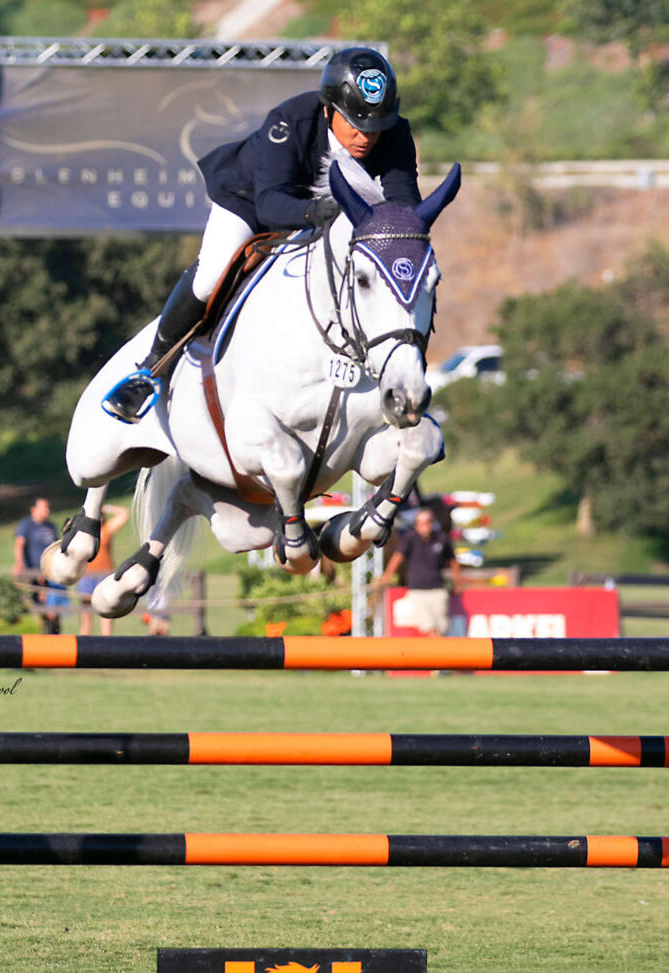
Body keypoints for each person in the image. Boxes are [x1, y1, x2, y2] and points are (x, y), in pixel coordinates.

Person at [103, 46, 420, 423]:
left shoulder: (394, 131)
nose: (367, 135)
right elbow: (271, 202)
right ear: (328, 109)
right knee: (211, 275)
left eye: (376, 125)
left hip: (325, 213)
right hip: (251, 202)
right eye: (355, 122)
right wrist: (313, 212)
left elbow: (404, 204)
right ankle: (151, 370)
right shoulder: (289, 120)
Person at [376, 507, 462, 636]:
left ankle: (436, 655)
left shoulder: (442, 539)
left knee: (441, 629)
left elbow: (453, 561)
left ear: (432, 523)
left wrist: (457, 583)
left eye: (428, 522)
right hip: (417, 592)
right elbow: (398, 557)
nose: (425, 526)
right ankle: (439, 655)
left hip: (438, 590)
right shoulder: (410, 538)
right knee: (430, 627)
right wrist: (387, 575)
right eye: (421, 523)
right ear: (416, 524)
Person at [13, 497, 68, 634]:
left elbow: (56, 549)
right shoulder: (26, 525)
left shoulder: (51, 526)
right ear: (33, 510)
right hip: (32, 574)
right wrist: (19, 564)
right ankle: (38, 640)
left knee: (54, 611)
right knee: (36, 609)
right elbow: (19, 544)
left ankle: (55, 640)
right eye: (43, 508)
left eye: (47, 508)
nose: (46, 511)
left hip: (50, 575)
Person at [77, 503, 130, 636]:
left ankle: (106, 644)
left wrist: (106, 507)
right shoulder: (83, 531)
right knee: (86, 615)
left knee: (106, 613)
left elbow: (124, 514)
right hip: (87, 575)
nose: (99, 518)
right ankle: (84, 645)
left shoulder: (107, 529)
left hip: (105, 576)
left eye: (100, 516)